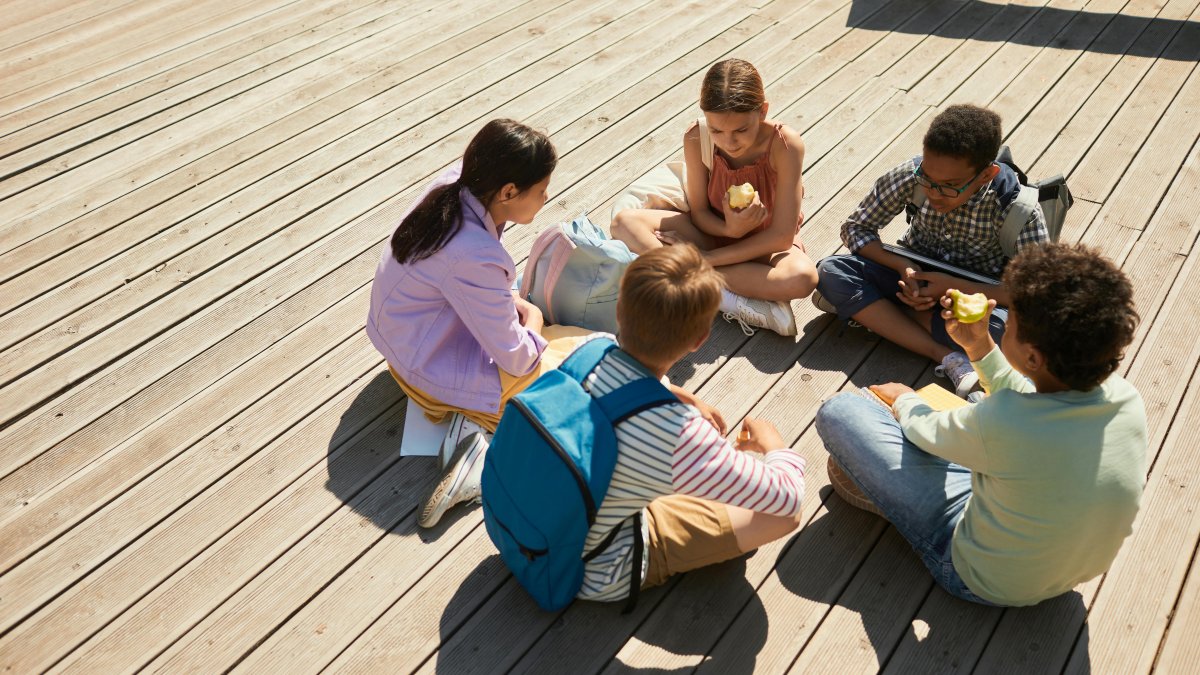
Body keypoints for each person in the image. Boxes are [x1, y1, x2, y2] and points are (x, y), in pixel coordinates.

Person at [815, 243, 1147, 607]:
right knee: (985, 435)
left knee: (841, 410)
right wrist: (980, 349)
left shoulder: (1007, 422)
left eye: (1011, 316)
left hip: (980, 577)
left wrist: (904, 398)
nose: (1002, 317)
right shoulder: (1125, 397)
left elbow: (924, 431)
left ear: (1033, 356)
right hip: (1066, 570)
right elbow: (1029, 401)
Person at [365, 119, 590, 529]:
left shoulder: (455, 184)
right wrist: (534, 320)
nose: (546, 198)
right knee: (572, 391)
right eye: (541, 191)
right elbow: (518, 360)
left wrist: (506, 303)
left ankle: (466, 428)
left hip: (403, 348)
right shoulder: (474, 254)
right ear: (508, 192)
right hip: (426, 370)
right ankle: (480, 462)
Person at [565, 244, 806, 602]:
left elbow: (627, 376)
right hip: (590, 571)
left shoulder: (590, 348)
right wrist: (775, 447)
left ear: (619, 310)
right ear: (699, 340)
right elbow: (787, 499)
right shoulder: (678, 433)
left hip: (517, 527)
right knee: (781, 517)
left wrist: (680, 393)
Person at [814, 104, 1050, 396]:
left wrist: (953, 287)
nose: (933, 193)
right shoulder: (913, 175)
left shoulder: (1018, 209)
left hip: (975, 299)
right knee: (831, 270)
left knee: (1008, 335)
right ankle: (945, 354)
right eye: (927, 179)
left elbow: (1035, 292)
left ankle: (873, 312)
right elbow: (856, 228)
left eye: (950, 186)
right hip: (909, 276)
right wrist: (901, 266)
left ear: (986, 175)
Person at [610, 59, 816, 337]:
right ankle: (724, 297)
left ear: (763, 110)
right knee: (624, 223)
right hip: (713, 234)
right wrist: (729, 229)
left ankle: (690, 277)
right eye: (717, 130)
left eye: (741, 130)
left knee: (803, 278)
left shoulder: (785, 145)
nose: (728, 142)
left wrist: (706, 259)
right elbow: (699, 214)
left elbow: (781, 236)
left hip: (765, 246)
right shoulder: (697, 137)